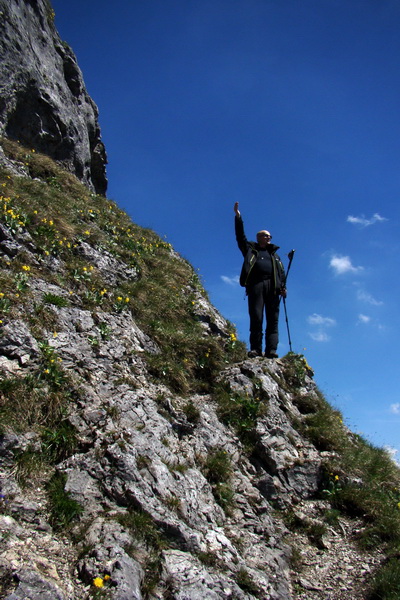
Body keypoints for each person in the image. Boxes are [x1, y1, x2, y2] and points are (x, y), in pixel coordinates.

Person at [234, 202, 286, 358]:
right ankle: (256, 349)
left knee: (273, 319)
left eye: (269, 236)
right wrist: (238, 217)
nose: (268, 238)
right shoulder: (251, 250)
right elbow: (240, 237)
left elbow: (281, 274)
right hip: (256, 285)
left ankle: (271, 350)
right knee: (256, 316)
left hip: (273, 288)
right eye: (265, 235)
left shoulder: (275, 257)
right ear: (258, 238)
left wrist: (284, 287)